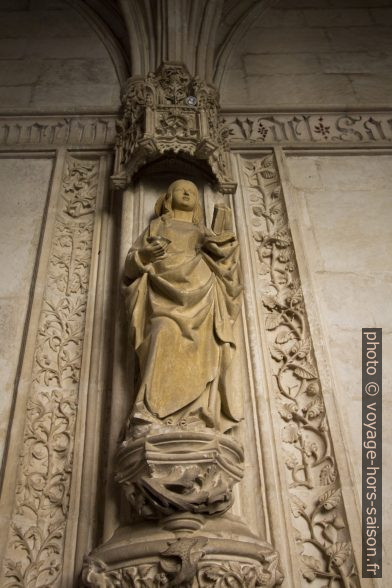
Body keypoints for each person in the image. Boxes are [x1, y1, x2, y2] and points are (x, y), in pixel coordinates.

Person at [122, 179, 243, 438]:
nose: (187, 191)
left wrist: (223, 238)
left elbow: (225, 256)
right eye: (179, 188)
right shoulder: (157, 226)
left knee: (204, 349)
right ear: (168, 197)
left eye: (192, 189)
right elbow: (130, 266)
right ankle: (149, 412)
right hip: (163, 293)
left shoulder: (201, 230)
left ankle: (197, 414)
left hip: (201, 295)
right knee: (161, 332)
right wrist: (146, 255)